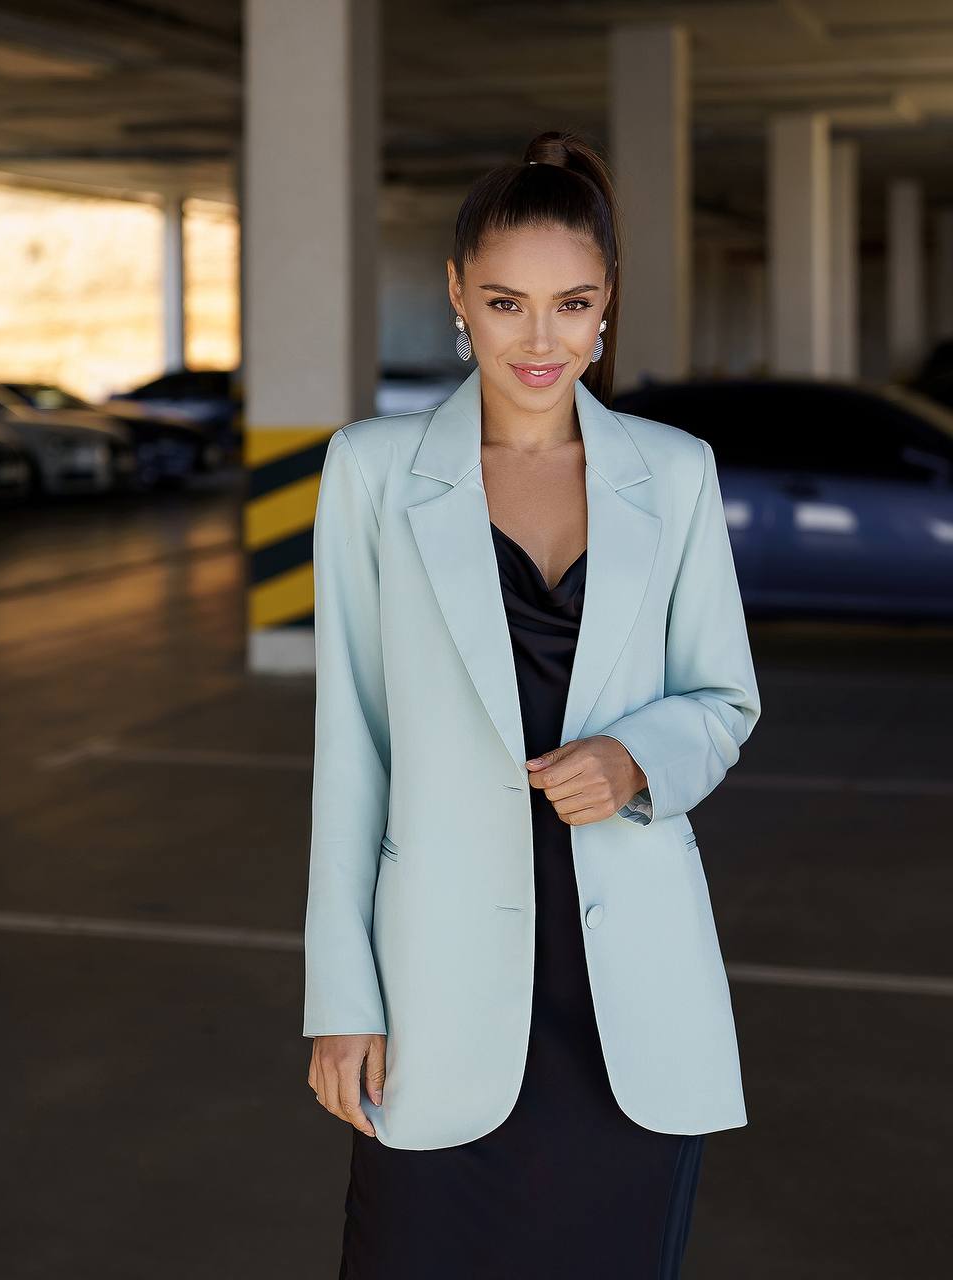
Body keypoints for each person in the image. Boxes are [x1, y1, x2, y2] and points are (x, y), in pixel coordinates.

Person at [303, 128, 761, 1279]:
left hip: (631, 997)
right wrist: (340, 993)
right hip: (437, 983)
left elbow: (723, 696)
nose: (540, 339)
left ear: (607, 304)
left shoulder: (675, 470)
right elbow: (352, 747)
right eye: (506, 302)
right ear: (456, 295)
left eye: (571, 303)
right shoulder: (370, 469)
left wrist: (636, 758)